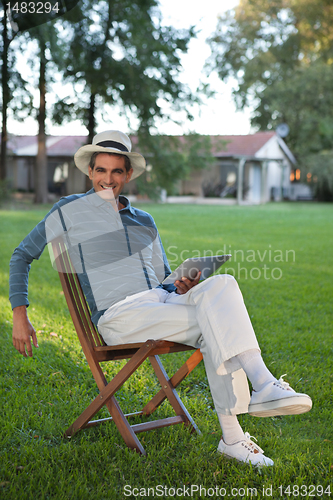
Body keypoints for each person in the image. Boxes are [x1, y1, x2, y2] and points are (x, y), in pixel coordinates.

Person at [10, 130, 312, 467]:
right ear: (89, 172)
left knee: (222, 284)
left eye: (116, 172)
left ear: (127, 175)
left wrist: (181, 286)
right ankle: (250, 410)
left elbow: (164, 281)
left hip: (159, 304)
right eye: (101, 171)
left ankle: (248, 412)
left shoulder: (144, 220)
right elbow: (21, 256)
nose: (107, 180)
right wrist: (20, 315)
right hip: (120, 317)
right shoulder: (69, 210)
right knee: (217, 324)